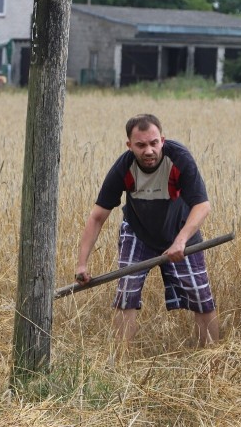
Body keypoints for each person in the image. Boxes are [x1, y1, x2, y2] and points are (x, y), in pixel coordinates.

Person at [75, 114, 219, 348]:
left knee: (200, 295)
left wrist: (181, 241)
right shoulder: (124, 167)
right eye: (141, 145)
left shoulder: (179, 159)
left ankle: (212, 356)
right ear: (129, 145)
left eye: (154, 143)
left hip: (181, 231)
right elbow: (97, 216)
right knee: (126, 293)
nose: (149, 150)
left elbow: (202, 206)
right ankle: (119, 361)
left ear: (162, 140)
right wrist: (82, 265)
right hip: (138, 232)